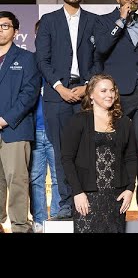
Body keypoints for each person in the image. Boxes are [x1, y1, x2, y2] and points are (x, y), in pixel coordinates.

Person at [35, 0, 99, 220]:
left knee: (88, 152)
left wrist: (87, 86)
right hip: (56, 95)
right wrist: (59, 87)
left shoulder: (95, 20)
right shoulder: (49, 20)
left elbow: (99, 58)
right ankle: (65, 204)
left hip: (85, 93)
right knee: (62, 153)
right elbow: (42, 59)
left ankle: (88, 204)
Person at [94, 0, 138, 220]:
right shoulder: (104, 22)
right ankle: (111, 202)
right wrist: (120, 21)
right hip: (116, 97)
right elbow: (101, 48)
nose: (131, 0)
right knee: (114, 151)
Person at [61, 74, 137, 233]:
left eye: (112, 90)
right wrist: (77, 192)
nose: (109, 95)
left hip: (116, 196)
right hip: (86, 196)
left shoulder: (124, 122)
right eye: (103, 91)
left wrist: (130, 189)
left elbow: (131, 158)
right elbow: (67, 159)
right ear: (91, 94)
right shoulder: (79, 120)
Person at [0, 11, 42, 233]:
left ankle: (19, 226)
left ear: (16, 31)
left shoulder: (26, 58)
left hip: (14, 128)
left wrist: (4, 119)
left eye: (5, 26)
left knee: (17, 181)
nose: (0, 30)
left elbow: (29, 94)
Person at [30, 20, 60, 233]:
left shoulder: (61, 63)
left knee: (60, 177)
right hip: (33, 130)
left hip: (56, 128)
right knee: (35, 179)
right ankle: (39, 221)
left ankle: (58, 219)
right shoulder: (27, 61)